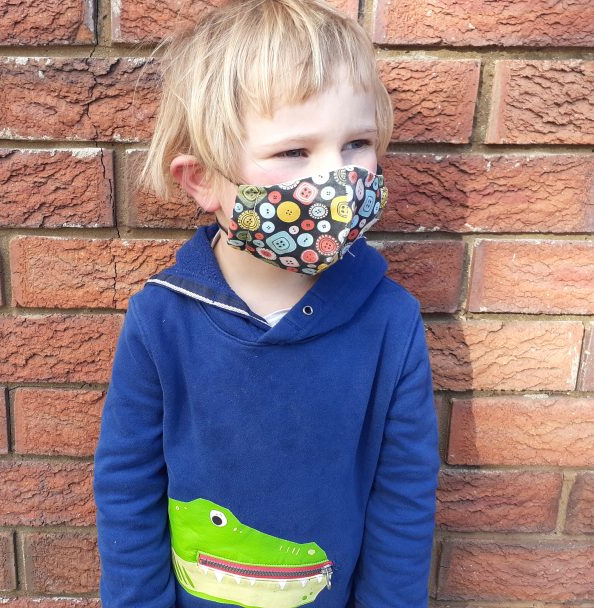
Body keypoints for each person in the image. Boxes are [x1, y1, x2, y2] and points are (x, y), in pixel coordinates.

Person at [92, 1, 440, 606]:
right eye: (294, 153)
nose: (337, 179)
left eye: (356, 143)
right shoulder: (161, 318)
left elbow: (404, 497)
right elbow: (128, 489)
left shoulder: (390, 323)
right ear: (202, 179)